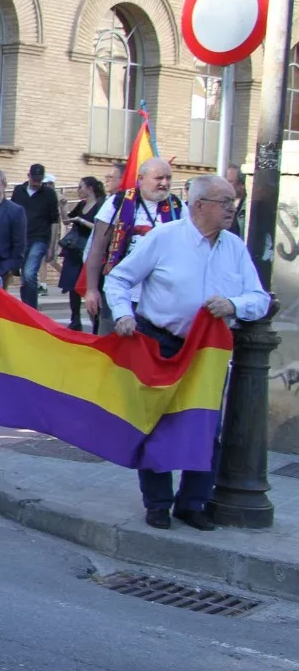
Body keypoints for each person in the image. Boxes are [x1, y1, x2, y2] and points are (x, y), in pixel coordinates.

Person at [105, 175, 269, 531]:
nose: (231, 208)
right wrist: (122, 314)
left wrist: (233, 304)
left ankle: (192, 503)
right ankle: (158, 504)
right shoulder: (164, 238)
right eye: (224, 202)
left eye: (233, 202)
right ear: (199, 205)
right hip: (160, 342)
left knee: (205, 427)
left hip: (207, 352)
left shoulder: (234, 247)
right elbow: (118, 279)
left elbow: (260, 299)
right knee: (156, 424)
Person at [83, 157, 181, 335]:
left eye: (168, 178)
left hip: (161, 299)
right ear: (141, 179)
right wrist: (91, 290)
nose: (165, 183)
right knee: (111, 353)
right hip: (118, 293)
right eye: (159, 178)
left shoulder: (178, 207)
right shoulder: (117, 203)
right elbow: (97, 248)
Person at [58, 176, 105, 332]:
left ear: (90, 189)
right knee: (72, 285)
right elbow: (67, 221)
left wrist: (82, 221)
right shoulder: (82, 204)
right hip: (74, 249)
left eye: (80, 187)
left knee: (88, 286)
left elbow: (101, 228)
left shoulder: (100, 204)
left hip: (89, 249)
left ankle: (95, 321)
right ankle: (75, 319)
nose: (78, 190)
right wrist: (62, 207)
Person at [12, 163, 62, 309]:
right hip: (21, 238)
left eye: (39, 180)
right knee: (24, 278)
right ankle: (26, 308)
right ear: (28, 176)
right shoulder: (19, 191)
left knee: (29, 273)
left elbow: (54, 221)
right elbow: (12, 215)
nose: (37, 183)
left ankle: (31, 308)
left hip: (39, 238)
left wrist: (52, 246)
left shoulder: (49, 194)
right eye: (34, 179)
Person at [226, 166, 247, 238]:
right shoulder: (225, 203)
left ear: (242, 185)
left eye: (229, 182)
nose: (225, 185)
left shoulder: (249, 207)